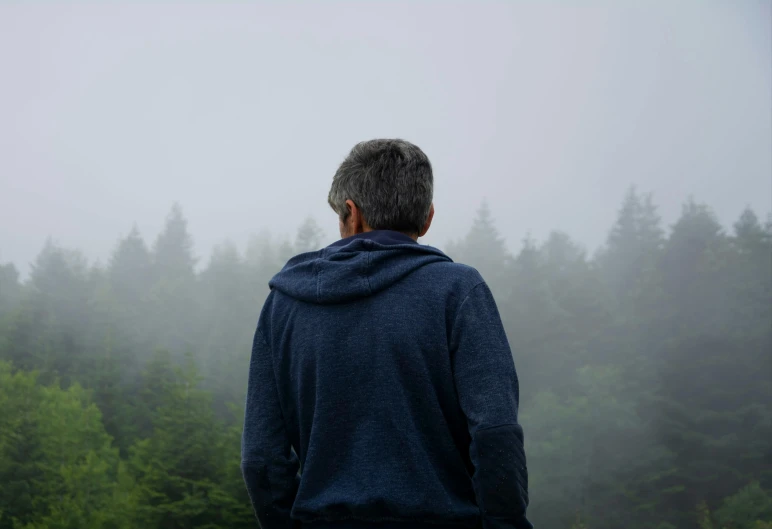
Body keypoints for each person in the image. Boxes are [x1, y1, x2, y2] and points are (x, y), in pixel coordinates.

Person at [241, 139, 531, 529]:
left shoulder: (283, 305)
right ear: (427, 218)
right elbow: (496, 433)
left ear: (351, 213)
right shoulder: (458, 291)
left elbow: (262, 457)